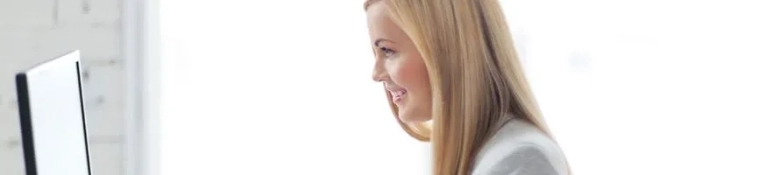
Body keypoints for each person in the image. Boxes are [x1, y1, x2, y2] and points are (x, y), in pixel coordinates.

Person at [364, 0, 571, 174]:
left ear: (444, 47)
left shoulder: (521, 161)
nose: (376, 74)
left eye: (387, 50)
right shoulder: (493, 156)